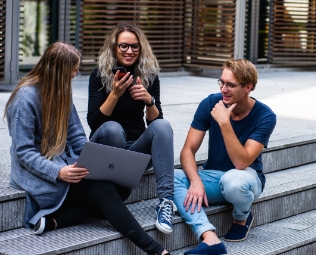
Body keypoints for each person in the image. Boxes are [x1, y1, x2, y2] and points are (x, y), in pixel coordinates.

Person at [4, 41, 170, 255]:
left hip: (66, 165)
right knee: (104, 191)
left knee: (122, 188)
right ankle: (155, 250)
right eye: (73, 70)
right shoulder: (24, 98)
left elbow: (77, 136)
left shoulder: (61, 91)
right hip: (41, 174)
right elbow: (24, 152)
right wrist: (59, 172)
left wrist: (92, 161)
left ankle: (56, 220)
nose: (74, 75)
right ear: (59, 71)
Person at [174, 59, 277, 255]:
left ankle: (242, 216)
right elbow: (187, 150)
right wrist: (195, 181)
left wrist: (224, 123)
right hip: (212, 176)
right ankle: (209, 238)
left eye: (230, 85)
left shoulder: (265, 116)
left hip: (246, 178)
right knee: (170, 177)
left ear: (248, 87)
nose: (223, 89)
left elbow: (242, 162)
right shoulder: (210, 103)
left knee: (234, 181)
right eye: (221, 82)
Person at [87, 21, 176, 235]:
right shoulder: (99, 75)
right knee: (113, 129)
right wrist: (115, 94)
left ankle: (166, 203)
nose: (129, 51)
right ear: (114, 47)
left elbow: (156, 125)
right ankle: (112, 194)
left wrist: (149, 101)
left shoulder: (148, 75)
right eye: (123, 46)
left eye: (134, 46)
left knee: (163, 126)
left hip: (135, 152)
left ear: (141, 48)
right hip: (107, 148)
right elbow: (94, 123)